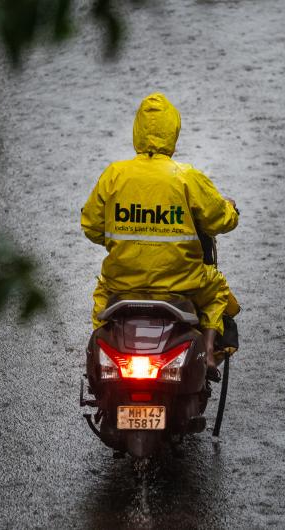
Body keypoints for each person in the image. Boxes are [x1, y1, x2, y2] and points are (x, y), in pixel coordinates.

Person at [80, 92, 238, 381]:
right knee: (217, 290)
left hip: (122, 284)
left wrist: (126, 239)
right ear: (172, 132)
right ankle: (208, 349)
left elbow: (91, 226)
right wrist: (231, 209)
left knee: (101, 306)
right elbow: (220, 220)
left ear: (137, 131)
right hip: (183, 284)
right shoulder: (186, 177)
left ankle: (102, 367)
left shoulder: (114, 175)